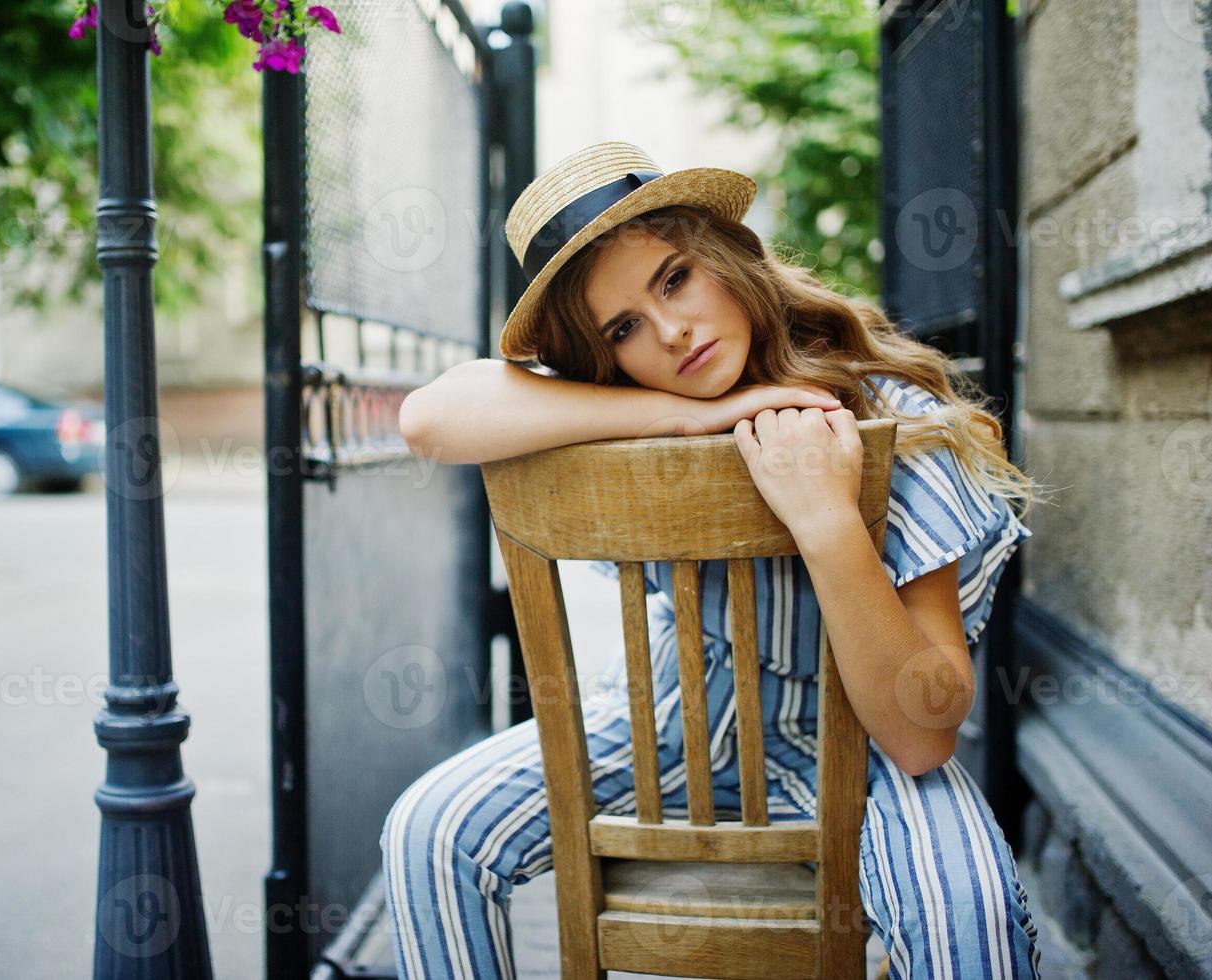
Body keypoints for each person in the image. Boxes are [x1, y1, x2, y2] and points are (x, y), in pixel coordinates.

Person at [382, 140, 1046, 979]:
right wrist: (689, 417)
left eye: (674, 278)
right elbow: (430, 419)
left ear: (726, 259)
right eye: (622, 328)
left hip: (866, 746)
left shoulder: (884, 415)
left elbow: (919, 738)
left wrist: (826, 522)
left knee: (970, 910)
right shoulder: (627, 411)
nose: (670, 331)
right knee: (428, 832)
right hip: (673, 720)